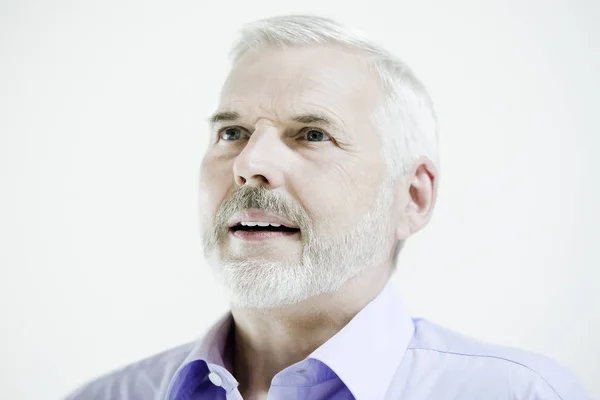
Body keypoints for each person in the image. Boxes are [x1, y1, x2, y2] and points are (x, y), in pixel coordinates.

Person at [65, 14, 591, 400]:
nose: (250, 163)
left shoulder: (523, 393)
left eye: (312, 134)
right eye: (232, 132)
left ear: (413, 197)